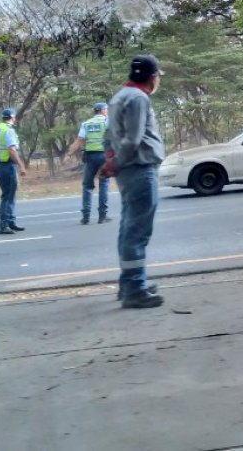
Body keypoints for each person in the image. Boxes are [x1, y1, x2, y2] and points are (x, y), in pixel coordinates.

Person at [104, 55, 166, 309]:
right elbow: (133, 138)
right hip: (139, 167)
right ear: (152, 77)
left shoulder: (119, 96)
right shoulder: (139, 98)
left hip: (128, 171)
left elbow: (110, 136)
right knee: (137, 232)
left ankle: (129, 282)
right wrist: (115, 163)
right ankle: (134, 289)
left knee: (128, 228)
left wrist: (111, 160)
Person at [65, 102, 110, 225]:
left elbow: (79, 140)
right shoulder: (107, 122)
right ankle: (102, 216)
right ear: (102, 110)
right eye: (106, 109)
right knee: (104, 184)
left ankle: (85, 217)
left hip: (90, 157)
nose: (107, 111)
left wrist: (69, 154)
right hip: (104, 157)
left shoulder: (86, 123)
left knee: (87, 186)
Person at [0, 108, 28, 235]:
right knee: (7, 196)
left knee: (9, 195)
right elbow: (12, 150)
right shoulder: (8, 130)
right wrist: (21, 165)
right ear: (12, 117)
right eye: (15, 117)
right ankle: (4, 225)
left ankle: (11, 222)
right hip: (8, 166)